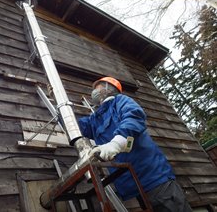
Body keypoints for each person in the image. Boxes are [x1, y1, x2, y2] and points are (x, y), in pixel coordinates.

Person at [78, 76, 192, 212]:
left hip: (155, 179)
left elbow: (134, 117)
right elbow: (77, 127)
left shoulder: (121, 101)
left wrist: (116, 144)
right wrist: (60, 108)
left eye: (98, 88)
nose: (94, 92)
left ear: (109, 89)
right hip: (135, 187)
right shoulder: (95, 118)